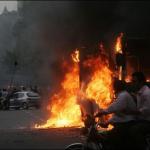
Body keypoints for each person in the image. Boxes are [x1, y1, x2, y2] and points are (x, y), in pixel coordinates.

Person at [95, 79, 137, 149]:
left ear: (117, 87)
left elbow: (115, 107)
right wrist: (107, 122)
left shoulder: (123, 95)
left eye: (113, 86)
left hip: (127, 124)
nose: (112, 88)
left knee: (109, 137)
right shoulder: (121, 95)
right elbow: (117, 115)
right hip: (123, 123)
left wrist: (103, 112)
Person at [129, 71, 150, 149]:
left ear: (141, 82)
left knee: (134, 130)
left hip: (147, 121)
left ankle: (144, 147)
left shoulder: (147, 93)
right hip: (141, 120)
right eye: (132, 81)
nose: (132, 83)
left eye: (134, 81)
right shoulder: (140, 92)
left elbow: (146, 110)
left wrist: (131, 111)